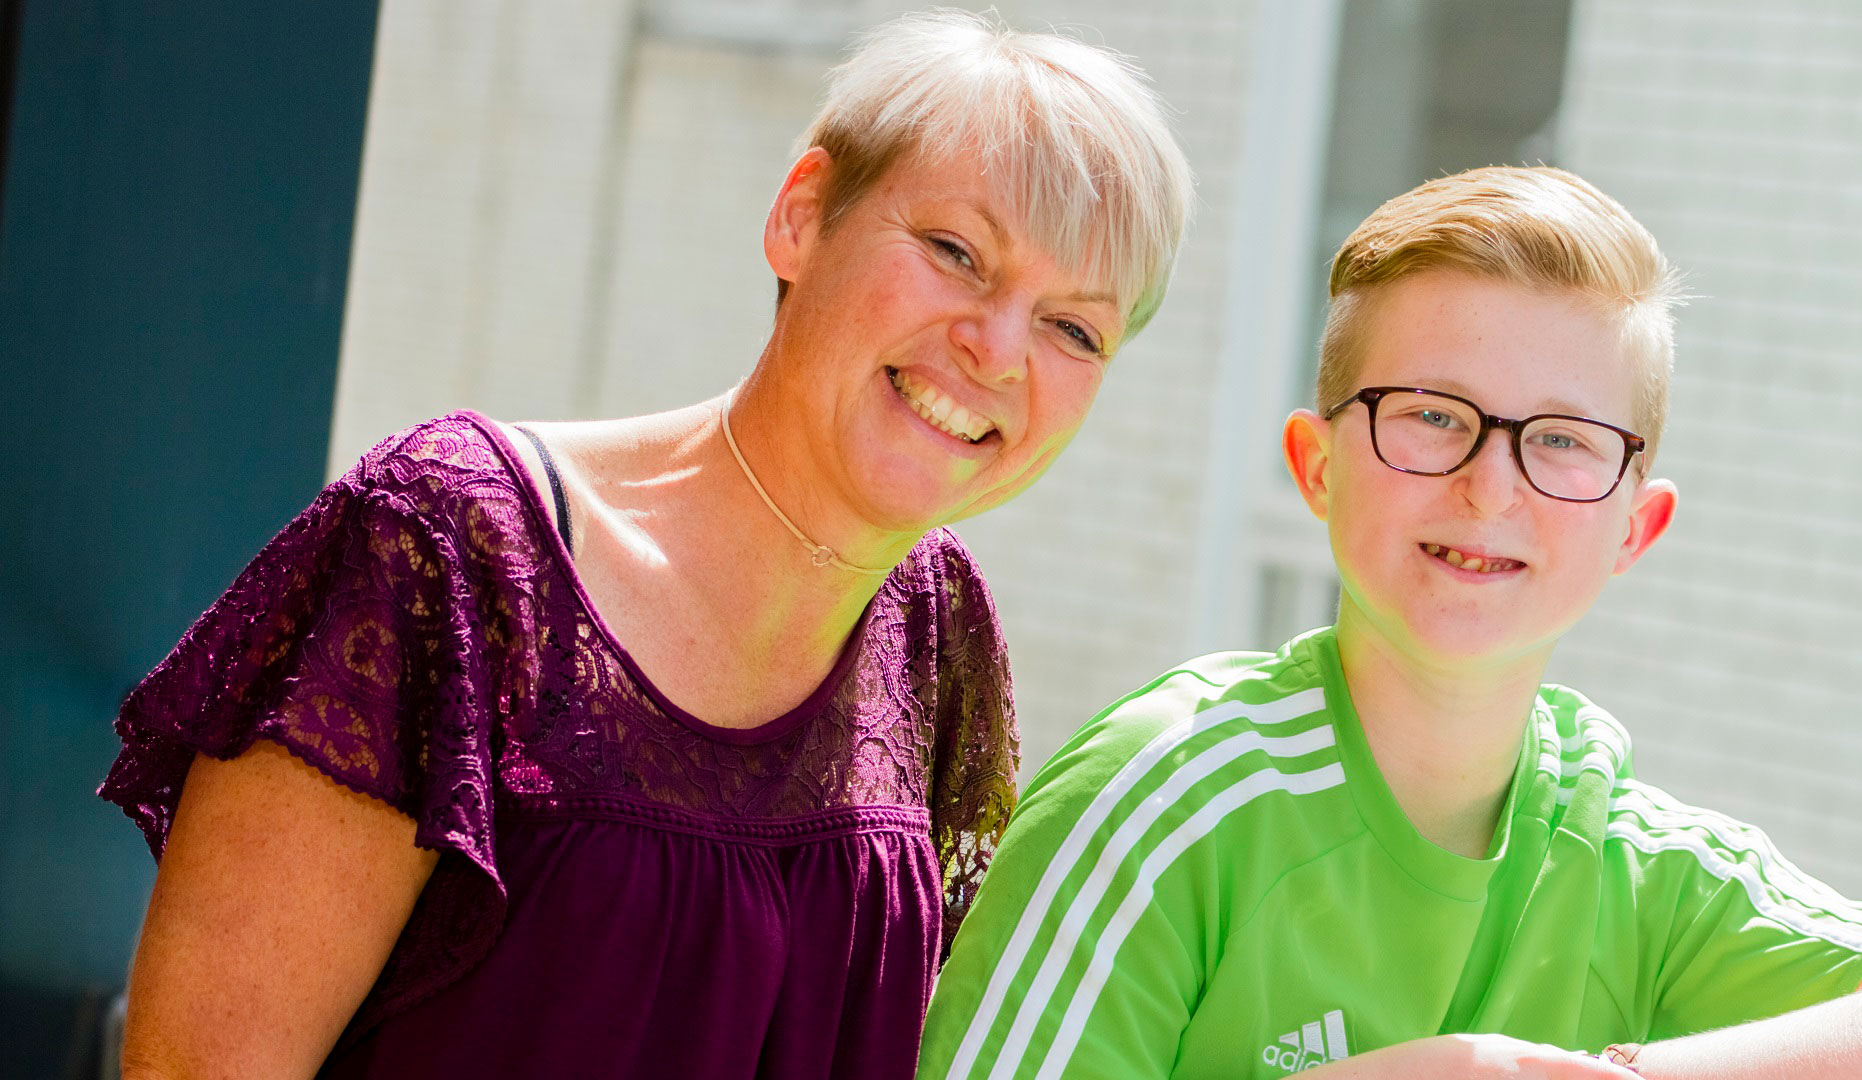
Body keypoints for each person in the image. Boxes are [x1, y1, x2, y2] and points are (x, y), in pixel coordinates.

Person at [100, 11, 1193, 1078]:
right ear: (802, 217)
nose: (998, 349)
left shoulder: (938, 632)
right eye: (957, 252)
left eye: (1073, 328)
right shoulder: (452, 547)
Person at [916, 166, 1862, 1080]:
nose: (1490, 489)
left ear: (1635, 526)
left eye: (1565, 440)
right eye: (1434, 415)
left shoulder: (1624, 852)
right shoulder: (1166, 800)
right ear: (1316, 466)